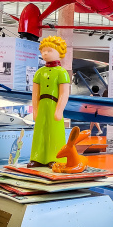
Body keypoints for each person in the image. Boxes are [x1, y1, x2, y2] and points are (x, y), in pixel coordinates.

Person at [30, 36, 71, 167]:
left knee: (55, 132)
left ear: (60, 52)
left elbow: (64, 93)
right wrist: (35, 110)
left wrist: (59, 110)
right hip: (42, 105)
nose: (45, 54)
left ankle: (55, 157)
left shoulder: (62, 73)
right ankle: (37, 157)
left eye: (49, 51)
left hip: (54, 105)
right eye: (43, 51)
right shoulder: (39, 73)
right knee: (40, 131)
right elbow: (35, 94)